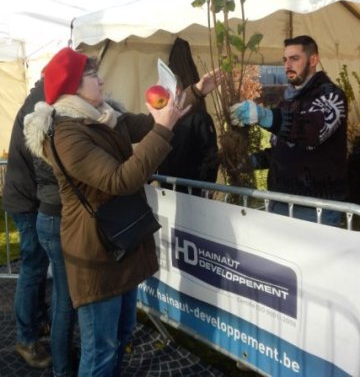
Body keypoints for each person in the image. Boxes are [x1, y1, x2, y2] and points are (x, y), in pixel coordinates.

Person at [23, 47, 217, 376]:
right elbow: (120, 179)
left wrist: (196, 92)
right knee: (100, 349)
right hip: (96, 252)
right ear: (73, 86)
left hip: (119, 243)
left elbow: (152, 121)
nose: (101, 79)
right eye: (92, 75)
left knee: (120, 336)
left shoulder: (103, 116)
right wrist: (163, 130)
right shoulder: (67, 134)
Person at [230, 35, 348, 227]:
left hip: (316, 209)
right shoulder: (288, 100)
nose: (287, 65)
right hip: (280, 201)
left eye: (294, 58)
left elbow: (314, 131)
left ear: (313, 60)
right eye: (285, 60)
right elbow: (284, 149)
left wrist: (266, 116)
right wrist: (252, 161)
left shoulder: (331, 95)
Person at [2, 79, 52, 369]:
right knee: (32, 268)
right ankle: (25, 340)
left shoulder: (38, 99)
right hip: (26, 203)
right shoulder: (39, 107)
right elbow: (43, 165)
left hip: (26, 200)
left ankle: (38, 319)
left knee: (36, 265)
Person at [33, 154, 77, 376]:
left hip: (50, 213)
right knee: (65, 299)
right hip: (57, 215)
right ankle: (62, 367)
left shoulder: (43, 127)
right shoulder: (54, 130)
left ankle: (63, 358)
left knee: (63, 296)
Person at [158, 80, 219, 196]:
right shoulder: (159, 120)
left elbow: (211, 156)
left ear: (176, 91)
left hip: (192, 193)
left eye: (160, 91)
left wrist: (203, 188)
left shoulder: (200, 118)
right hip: (166, 191)